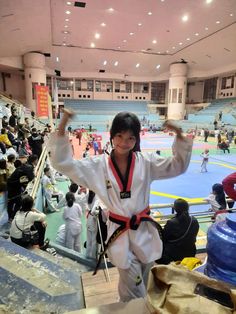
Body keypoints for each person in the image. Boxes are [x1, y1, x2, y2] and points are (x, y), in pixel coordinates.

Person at [48, 109, 193, 302]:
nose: (124, 143)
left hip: (143, 230)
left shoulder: (147, 162)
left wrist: (180, 134)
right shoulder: (97, 166)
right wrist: (63, 123)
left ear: (136, 139)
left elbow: (177, 166)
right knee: (135, 288)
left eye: (130, 138)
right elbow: (64, 164)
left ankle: (124, 306)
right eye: (119, 136)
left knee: (137, 281)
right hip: (120, 232)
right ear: (112, 134)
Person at [156, 199, 199, 264]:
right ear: (188, 207)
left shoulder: (171, 223)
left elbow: (164, 238)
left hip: (174, 255)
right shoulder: (194, 220)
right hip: (190, 252)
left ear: (175, 209)